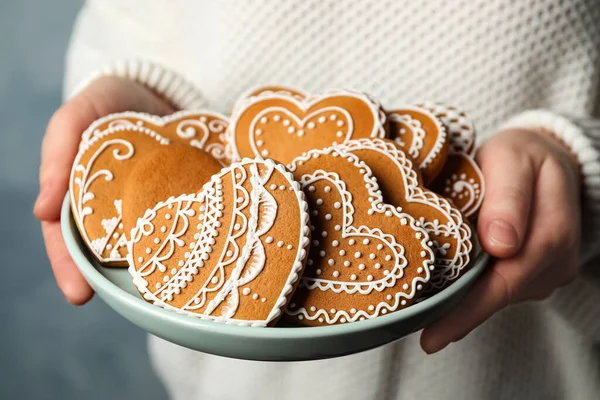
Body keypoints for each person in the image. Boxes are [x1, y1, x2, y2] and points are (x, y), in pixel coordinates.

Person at [34, 1, 600, 399]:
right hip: (224, 370)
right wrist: (140, 107)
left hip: (526, 375)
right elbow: (129, 21)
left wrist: (577, 169)